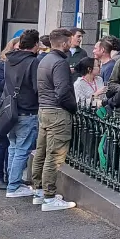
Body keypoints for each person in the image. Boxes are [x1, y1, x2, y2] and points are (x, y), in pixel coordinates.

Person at [31, 29, 78, 211]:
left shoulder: (45, 60)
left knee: (41, 152)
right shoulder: (60, 63)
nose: (71, 44)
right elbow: (63, 92)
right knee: (55, 155)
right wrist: (73, 108)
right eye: (69, 41)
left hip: (44, 109)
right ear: (64, 43)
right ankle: (49, 197)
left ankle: (39, 191)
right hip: (58, 112)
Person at [3, 30, 42, 198]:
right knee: (22, 149)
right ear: (35, 45)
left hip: (10, 110)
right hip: (27, 110)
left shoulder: (9, 59)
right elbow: (36, 88)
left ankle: (12, 181)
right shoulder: (33, 62)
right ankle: (14, 186)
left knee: (13, 147)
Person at [0, 37, 19, 190]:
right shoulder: (1, 64)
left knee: (12, 143)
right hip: (3, 106)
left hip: (15, 105)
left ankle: (10, 175)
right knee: (1, 142)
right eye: (17, 48)